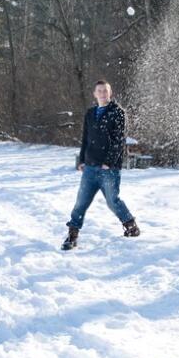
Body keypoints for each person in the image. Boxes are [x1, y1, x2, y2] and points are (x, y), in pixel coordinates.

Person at [62, 80, 140, 250]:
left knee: (113, 202)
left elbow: (119, 140)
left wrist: (109, 162)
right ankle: (72, 235)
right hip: (90, 167)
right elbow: (85, 138)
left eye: (105, 91)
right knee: (80, 202)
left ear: (109, 93)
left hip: (108, 169)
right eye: (99, 91)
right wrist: (82, 160)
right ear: (95, 93)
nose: (103, 94)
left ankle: (131, 226)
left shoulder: (117, 112)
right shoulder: (90, 113)